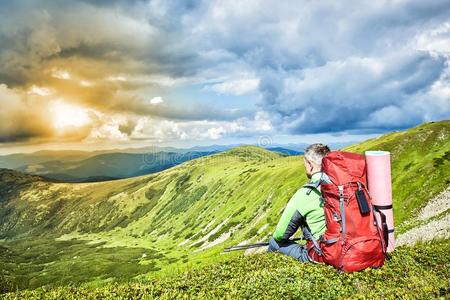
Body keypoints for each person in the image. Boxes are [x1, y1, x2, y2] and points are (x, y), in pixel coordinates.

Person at [268, 143, 331, 262]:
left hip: (324, 254)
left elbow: (280, 235)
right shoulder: (345, 187)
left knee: (274, 242)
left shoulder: (305, 194)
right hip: (353, 248)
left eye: (305, 164)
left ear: (310, 165)